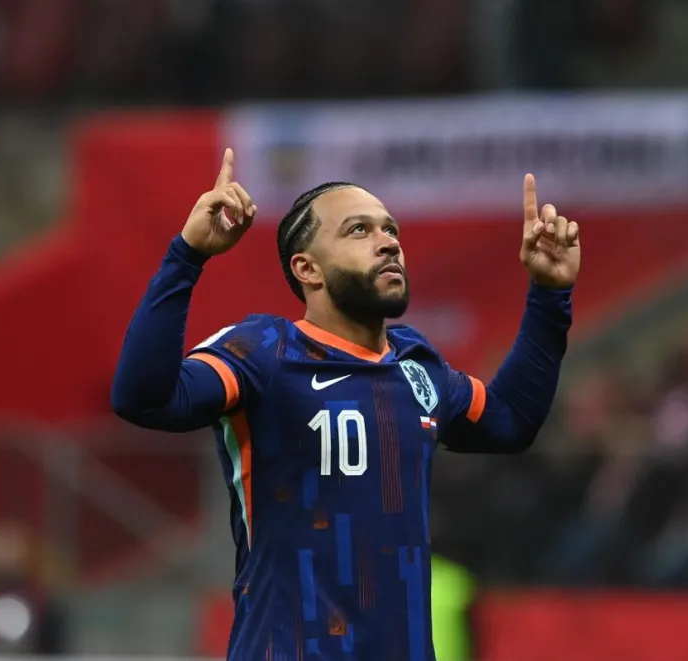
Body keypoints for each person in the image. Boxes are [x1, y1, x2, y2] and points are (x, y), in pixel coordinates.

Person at [111, 148, 579, 660]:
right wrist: (187, 256)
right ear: (307, 269)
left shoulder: (417, 365)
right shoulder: (263, 352)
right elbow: (145, 398)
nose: (388, 242)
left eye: (390, 229)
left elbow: (510, 420)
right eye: (359, 230)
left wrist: (549, 295)